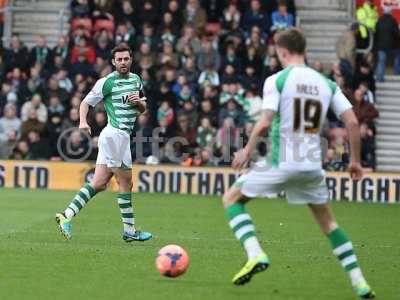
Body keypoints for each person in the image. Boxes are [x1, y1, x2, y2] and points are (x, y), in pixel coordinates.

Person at [221, 28, 375, 299]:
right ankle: (359, 282)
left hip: (281, 162)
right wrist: (354, 161)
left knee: (231, 199)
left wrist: (246, 149)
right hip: (312, 166)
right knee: (329, 225)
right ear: (304, 50)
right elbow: (352, 121)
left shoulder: (277, 80)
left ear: (283, 51)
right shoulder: (326, 83)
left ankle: (255, 254)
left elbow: (266, 121)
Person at [55, 43, 152, 243]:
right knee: (125, 181)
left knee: (98, 183)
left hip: (121, 137)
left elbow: (143, 109)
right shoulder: (106, 82)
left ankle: (67, 216)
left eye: (126, 59)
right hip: (114, 135)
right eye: (119, 59)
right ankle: (130, 231)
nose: (123, 62)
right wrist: (83, 121)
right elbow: (85, 103)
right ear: (113, 62)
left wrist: (139, 103)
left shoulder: (136, 80)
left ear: (131, 60)